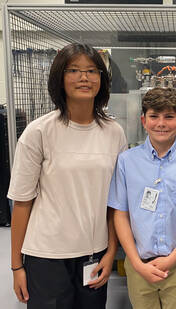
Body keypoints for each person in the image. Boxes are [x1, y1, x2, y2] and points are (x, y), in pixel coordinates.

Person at [8, 43, 127, 309]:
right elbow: (22, 202)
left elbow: (114, 201)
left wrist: (110, 252)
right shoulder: (38, 132)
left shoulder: (114, 132)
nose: (84, 77)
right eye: (74, 70)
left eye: (92, 71)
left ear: (101, 79)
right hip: (47, 256)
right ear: (60, 78)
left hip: (94, 253)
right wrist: (17, 265)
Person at [108, 87, 176, 309]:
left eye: (169, 117)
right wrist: (136, 263)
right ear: (143, 121)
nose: (161, 123)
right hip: (138, 265)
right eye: (154, 116)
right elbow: (120, 213)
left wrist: (172, 259)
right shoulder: (127, 162)